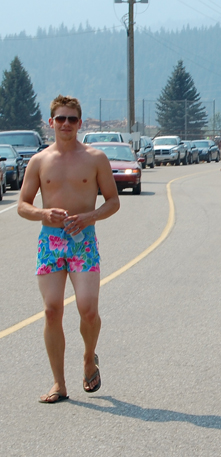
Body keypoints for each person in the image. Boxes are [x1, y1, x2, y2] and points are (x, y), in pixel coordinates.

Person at [18, 95, 120, 403]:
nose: (65, 124)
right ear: (51, 123)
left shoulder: (95, 158)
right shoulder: (39, 161)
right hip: (50, 241)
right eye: (60, 119)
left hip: (83, 241)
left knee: (88, 310)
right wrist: (43, 214)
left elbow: (113, 201)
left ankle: (89, 357)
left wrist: (90, 217)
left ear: (80, 123)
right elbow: (22, 205)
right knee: (52, 311)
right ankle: (59, 384)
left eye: (71, 119)